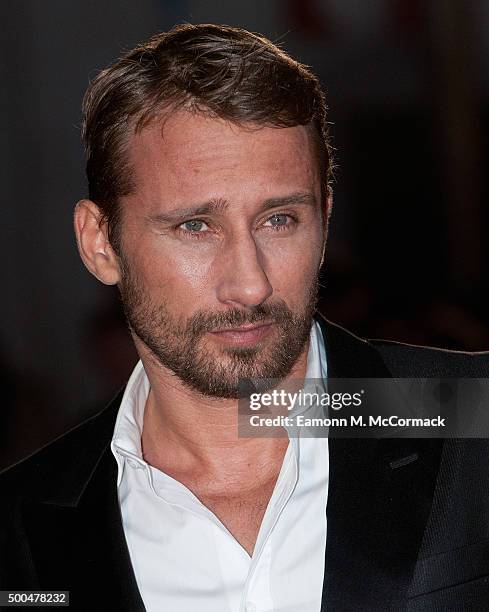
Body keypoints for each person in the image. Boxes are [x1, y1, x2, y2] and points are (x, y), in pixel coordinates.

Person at [1, 23, 488, 612]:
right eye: (195, 227)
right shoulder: (21, 531)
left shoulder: (467, 415)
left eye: (279, 220)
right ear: (101, 243)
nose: (250, 283)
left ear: (325, 220)